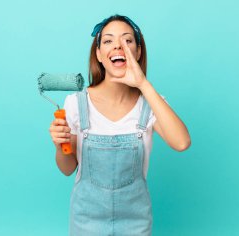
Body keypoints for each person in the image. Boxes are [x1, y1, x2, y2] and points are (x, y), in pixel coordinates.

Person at [49, 14, 191, 236]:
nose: (118, 45)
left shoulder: (150, 104)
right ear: (98, 54)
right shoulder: (76, 103)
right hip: (86, 221)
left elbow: (182, 142)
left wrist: (143, 84)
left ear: (138, 51)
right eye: (108, 41)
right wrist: (60, 146)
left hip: (136, 222)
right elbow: (67, 169)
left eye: (127, 40)